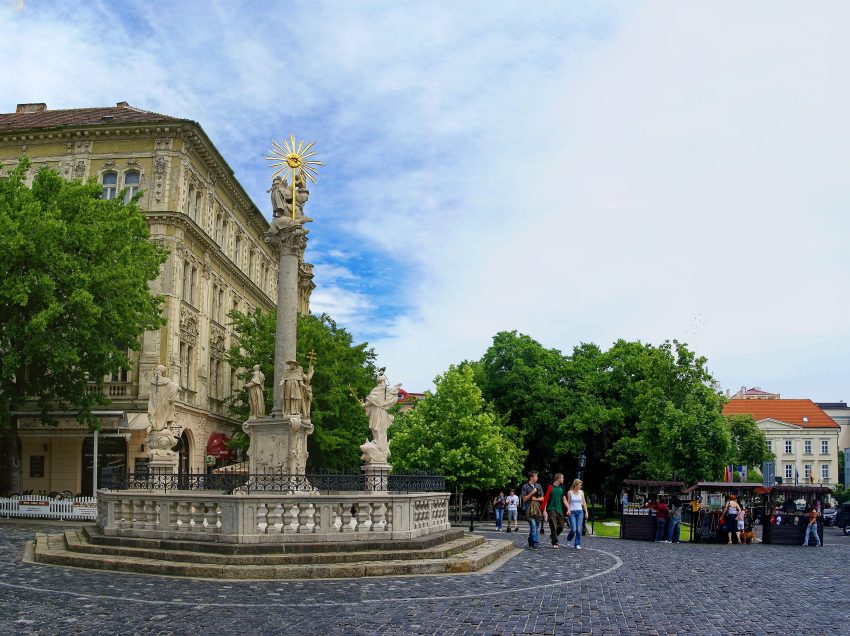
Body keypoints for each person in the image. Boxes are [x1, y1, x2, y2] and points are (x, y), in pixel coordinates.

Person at [541, 473, 568, 548]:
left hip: (560, 510)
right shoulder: (549, 487)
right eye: (562, 478)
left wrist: (568, 508)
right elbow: (545, 500)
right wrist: (544, 511)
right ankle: (555, 542)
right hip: (551, 509)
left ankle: (552, 535)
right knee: (553, 526)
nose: (563, 479)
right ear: (558, 479)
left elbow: (564, 499)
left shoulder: (562, 488)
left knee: (561, 527)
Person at [520, 471, 544, 549]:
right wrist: (532, 493)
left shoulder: (539, 486)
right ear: (531, 477)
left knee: (536, 526)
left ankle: (530, 541)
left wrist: (536, 498)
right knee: (533, 525)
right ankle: (535, 543)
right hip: (528, 508)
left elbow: (543, 498)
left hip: (537, 509)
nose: (537, 478)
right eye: (536, 476)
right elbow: (524, 499)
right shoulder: (525, 486)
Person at [566, 479, 589, 550]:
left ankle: (577, 543)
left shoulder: (581, 492)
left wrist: (586, 512)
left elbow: (584, 502)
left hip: (580, 512)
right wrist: (568, 510)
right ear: (575, 485)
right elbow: (568, 503)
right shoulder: (569, 492)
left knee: (579, 529)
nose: (581, 486)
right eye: (580, 485)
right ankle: (569, 539)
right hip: (572, 512)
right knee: (573, 529)